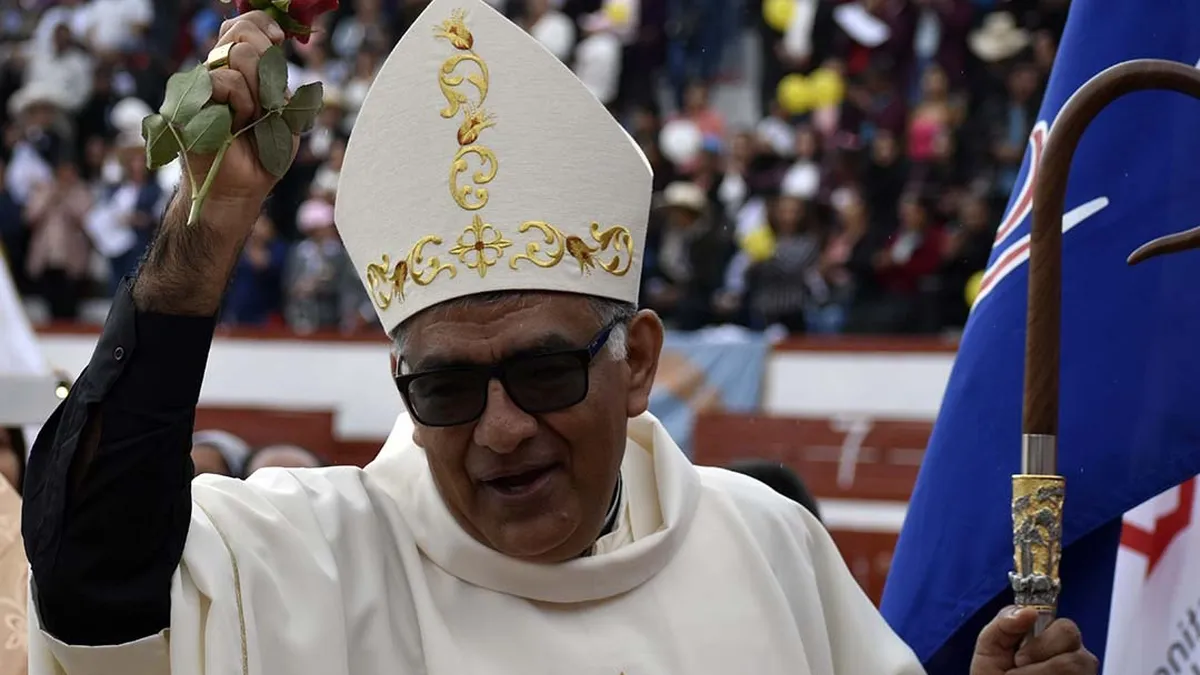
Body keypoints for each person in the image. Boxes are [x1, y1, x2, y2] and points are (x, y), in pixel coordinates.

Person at [23, 4, 1098, 675]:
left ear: (638, 363)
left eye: (541, 370)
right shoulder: (313, 557)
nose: (499, 430)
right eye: (446, 387)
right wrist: (204, 229)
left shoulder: (767, 547)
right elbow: (90, 588)